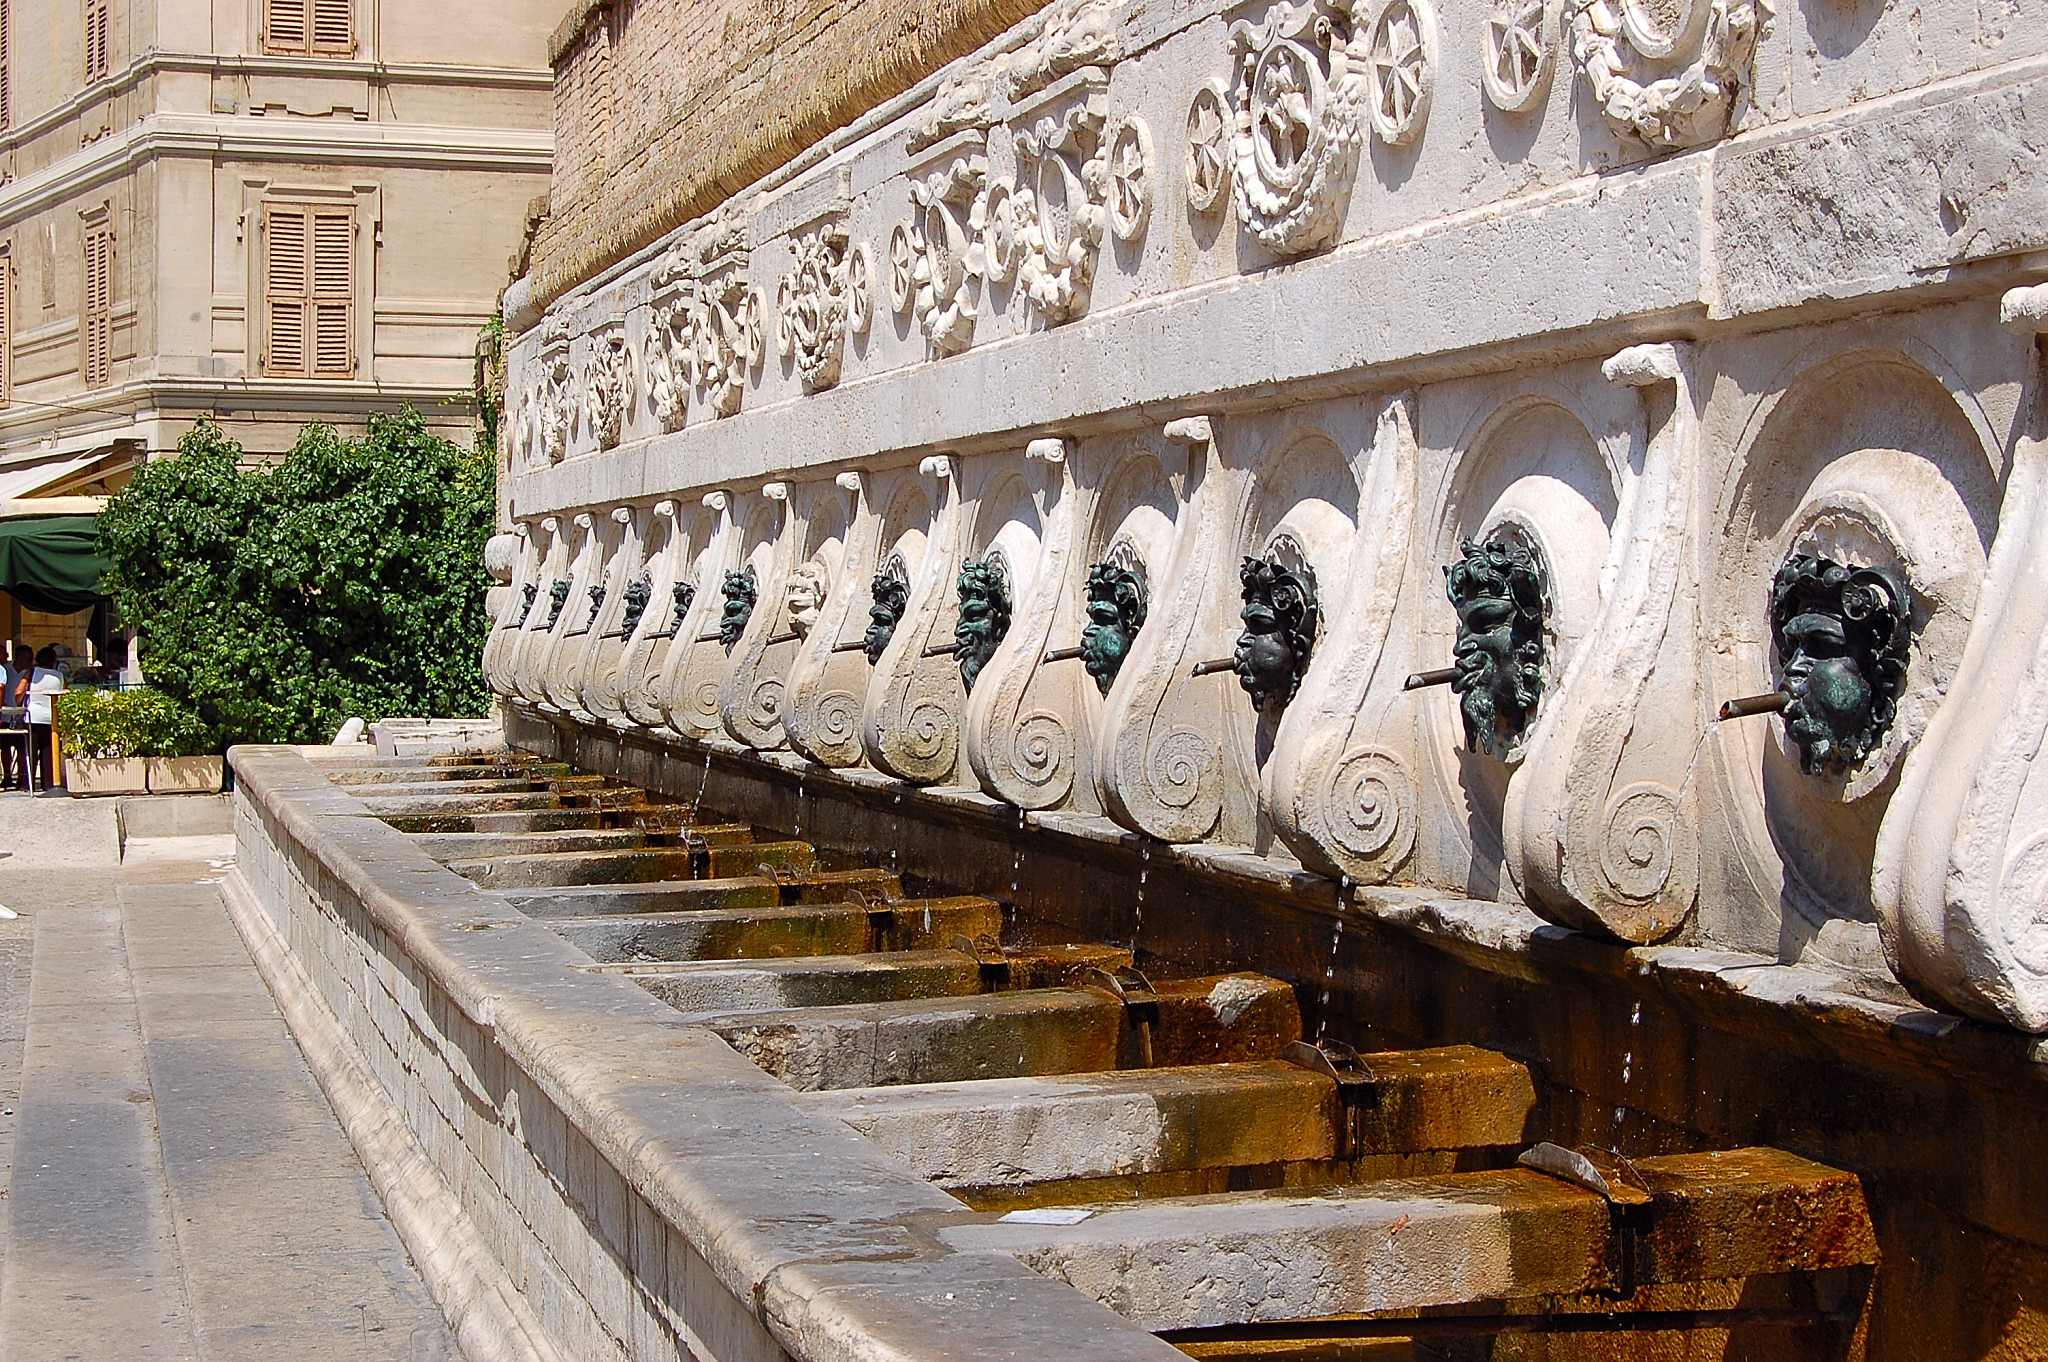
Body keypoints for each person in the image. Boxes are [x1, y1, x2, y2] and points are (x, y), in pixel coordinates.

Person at [26, 647, 64, 793]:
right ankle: (48, 784)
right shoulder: (59, 675)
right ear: (54, 661)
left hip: (33, 716)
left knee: (31, 752)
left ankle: (27, 784)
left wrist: (19, 706)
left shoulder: (32, 672)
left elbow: (18, 691)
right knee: (49, 752)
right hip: (51, 718)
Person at [0, 646, 27, 791]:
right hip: (5, 713)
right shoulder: (5, 670)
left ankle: (21, 777)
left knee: (21, 748)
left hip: (20, 714)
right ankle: (7, 775)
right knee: (4, 747)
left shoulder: (29, 673)